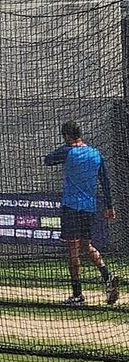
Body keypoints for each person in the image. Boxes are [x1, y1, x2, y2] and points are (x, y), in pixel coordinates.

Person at [43, 121, 120, 305]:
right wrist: (109, 206)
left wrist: (66, 147)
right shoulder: (96, 154)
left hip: (71, 206)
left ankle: (77, 295)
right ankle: (107, 275)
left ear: (67, 136)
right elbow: (106, 182)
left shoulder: (67, 151)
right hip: (89, 207)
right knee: (87, 245)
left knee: (73, 250)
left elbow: (48, 160)